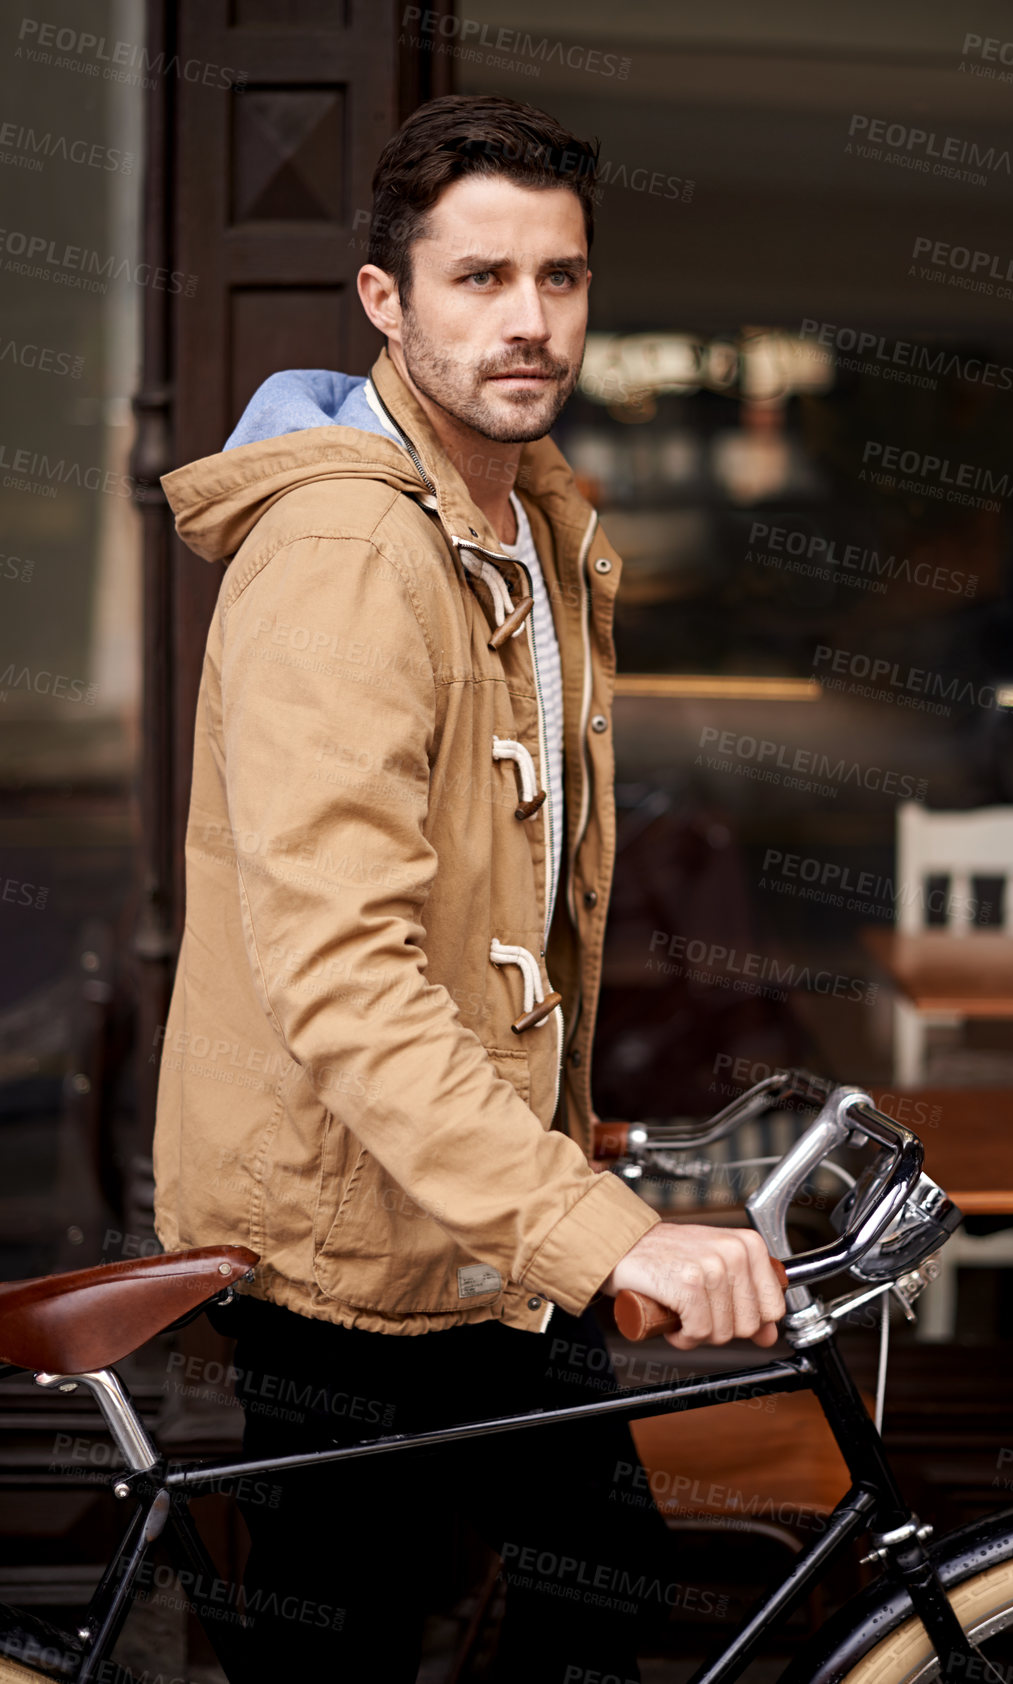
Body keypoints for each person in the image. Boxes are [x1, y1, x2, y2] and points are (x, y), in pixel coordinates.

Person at [153, 92, 786, 1681]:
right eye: (479, 279)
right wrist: (598, 1229)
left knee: (596, 1600)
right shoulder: (354, 552)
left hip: (484, 1220)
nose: (528, 322)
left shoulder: (528, 522)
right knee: (372, 1642)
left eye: (558, 280)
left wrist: (575, 1172)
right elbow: (342, 971)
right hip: (352, 1254)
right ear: (386, 300)